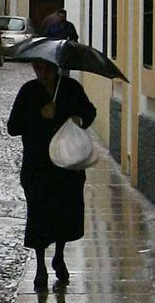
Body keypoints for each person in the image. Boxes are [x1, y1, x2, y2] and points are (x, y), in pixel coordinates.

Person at [7, 60, 98, 290]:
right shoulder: (28, 91)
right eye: (38, 68)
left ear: (56, 68)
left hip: (67, 167)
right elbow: (13, 127)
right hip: (37, 167)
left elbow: (89, 112)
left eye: (47, 68)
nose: (43, 73)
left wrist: (78, 119)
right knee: (38, 215)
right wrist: (38, 115)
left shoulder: (70, 88)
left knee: (63, 214)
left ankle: (59, 255)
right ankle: (40, 266)